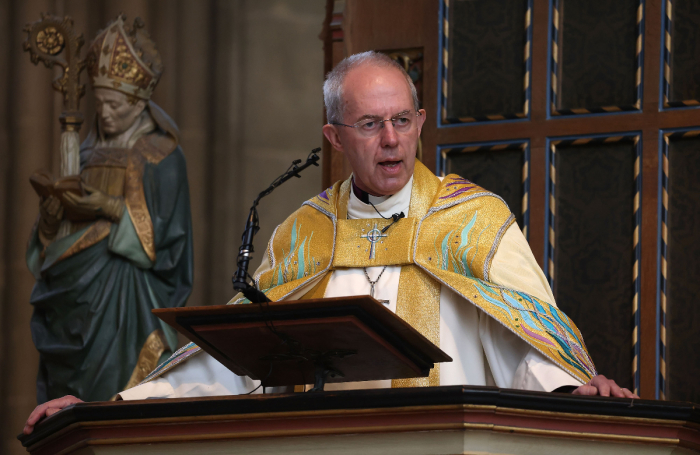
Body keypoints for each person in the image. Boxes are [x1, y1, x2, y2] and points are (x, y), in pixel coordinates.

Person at [24, 51, 634, 435]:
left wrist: (570, 385)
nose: (391, 139)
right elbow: (240, 359)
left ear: (421, 124)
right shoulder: (303, 233)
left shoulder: (472, 219)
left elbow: (521, 339)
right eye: (370, 124)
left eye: (402, 121)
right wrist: (114, 407)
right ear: (335, 137)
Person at [26, 16, 193, 405]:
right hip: (72, 296)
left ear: (139, 102)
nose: (105, 114)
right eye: (100, 104)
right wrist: (51, 218)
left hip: (126, 301)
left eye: (115, 105)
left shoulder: (163, 157)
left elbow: (172, 246)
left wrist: (111, 208)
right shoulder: (84, 152)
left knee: (116, 399)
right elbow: (49, 243)